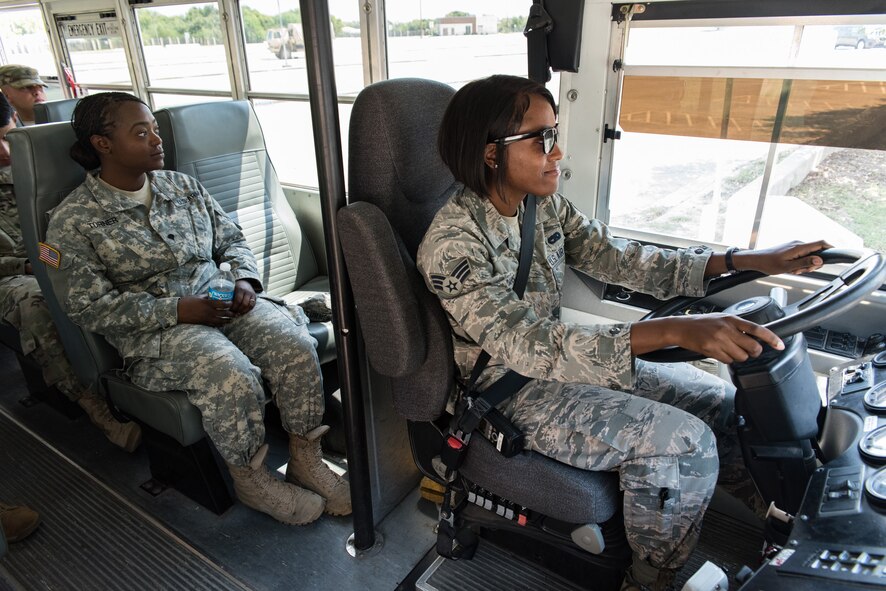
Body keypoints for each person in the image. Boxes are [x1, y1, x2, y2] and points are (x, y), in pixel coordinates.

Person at [416, 74, 830, 591]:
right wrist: (674, 330)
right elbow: (529, 344)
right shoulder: (452, 246)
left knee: (722, 402)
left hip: (563, 367)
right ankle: (650, 580)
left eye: (556, 133)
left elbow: (623, 259)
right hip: (508, 392)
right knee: (682, 444)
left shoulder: (538, 206)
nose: (558, 151)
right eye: (541, 139)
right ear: (491, 154)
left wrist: (744, 259)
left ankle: (785, 528)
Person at [42, 92, 351, 524]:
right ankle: (251, 478)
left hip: (219, 298)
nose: (156, 139)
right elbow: (89, 307)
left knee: (293, 343)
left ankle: (306, 456)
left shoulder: (182, 186)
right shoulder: (73, 220)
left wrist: (244, 279)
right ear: (102, 144)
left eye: (154, 128)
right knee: (230, 372)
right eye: (140, 132)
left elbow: (232, 239)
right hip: (157, 328)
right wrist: (178, 310)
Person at [0, 93, 141, 451]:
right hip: (9, 272)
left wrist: (47, 258)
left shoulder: (29, 162)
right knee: (38, 301)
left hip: (47, 254)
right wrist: (25, 264)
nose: (4, 152)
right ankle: (91, 401)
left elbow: (49, 239)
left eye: (7, 135)